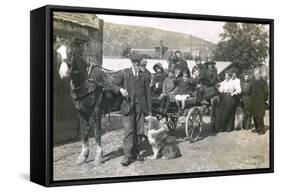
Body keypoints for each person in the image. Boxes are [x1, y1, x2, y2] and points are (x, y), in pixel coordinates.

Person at [113, 53, 152, 166]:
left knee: (139, 130)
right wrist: (120, 89)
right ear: (131, 62)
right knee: (129, 131)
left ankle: (137, 151)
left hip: (140, 107)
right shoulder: (124, 73)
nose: (136, 65)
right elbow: (111, 83)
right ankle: (127, 156)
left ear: (140, 63)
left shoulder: (144, 76)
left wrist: (149, 110)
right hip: (127, 107)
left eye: (138, 63)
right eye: (134, 63)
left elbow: (148, 94)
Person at [249, 68, 268, 135]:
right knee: (254, 116)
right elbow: (249, 90)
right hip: (254, 101)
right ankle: (257, 128)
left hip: (260, 101)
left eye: (256, 74)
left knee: (260, 116)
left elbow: (266, 92)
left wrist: (264, 100)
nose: (255, 75)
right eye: (255, 74)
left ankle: (262, 130)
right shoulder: (252, 81)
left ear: (259, 74)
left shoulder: (263, 82)